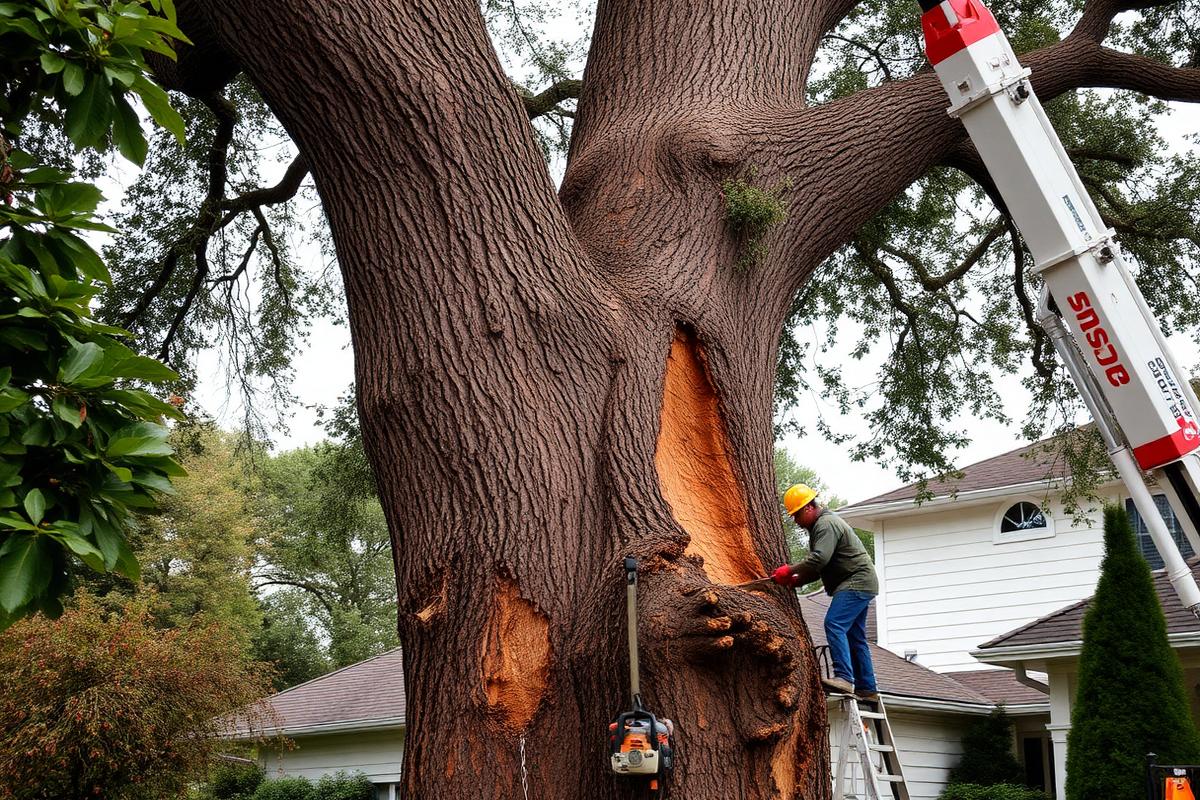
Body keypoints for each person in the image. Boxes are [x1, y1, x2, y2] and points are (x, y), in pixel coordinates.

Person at [772, 483, 879, 701]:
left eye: (797, 515)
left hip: (855, 581)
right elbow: (820, 567)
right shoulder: (821, 526)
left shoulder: (826, 524)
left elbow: (819, 558)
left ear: (808, 508)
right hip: (862, 582)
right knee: (855, 636)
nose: (796, 521)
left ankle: (844, 678)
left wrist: (789, 570)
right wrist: (797, 580)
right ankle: (867, 688)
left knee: (834, 623)